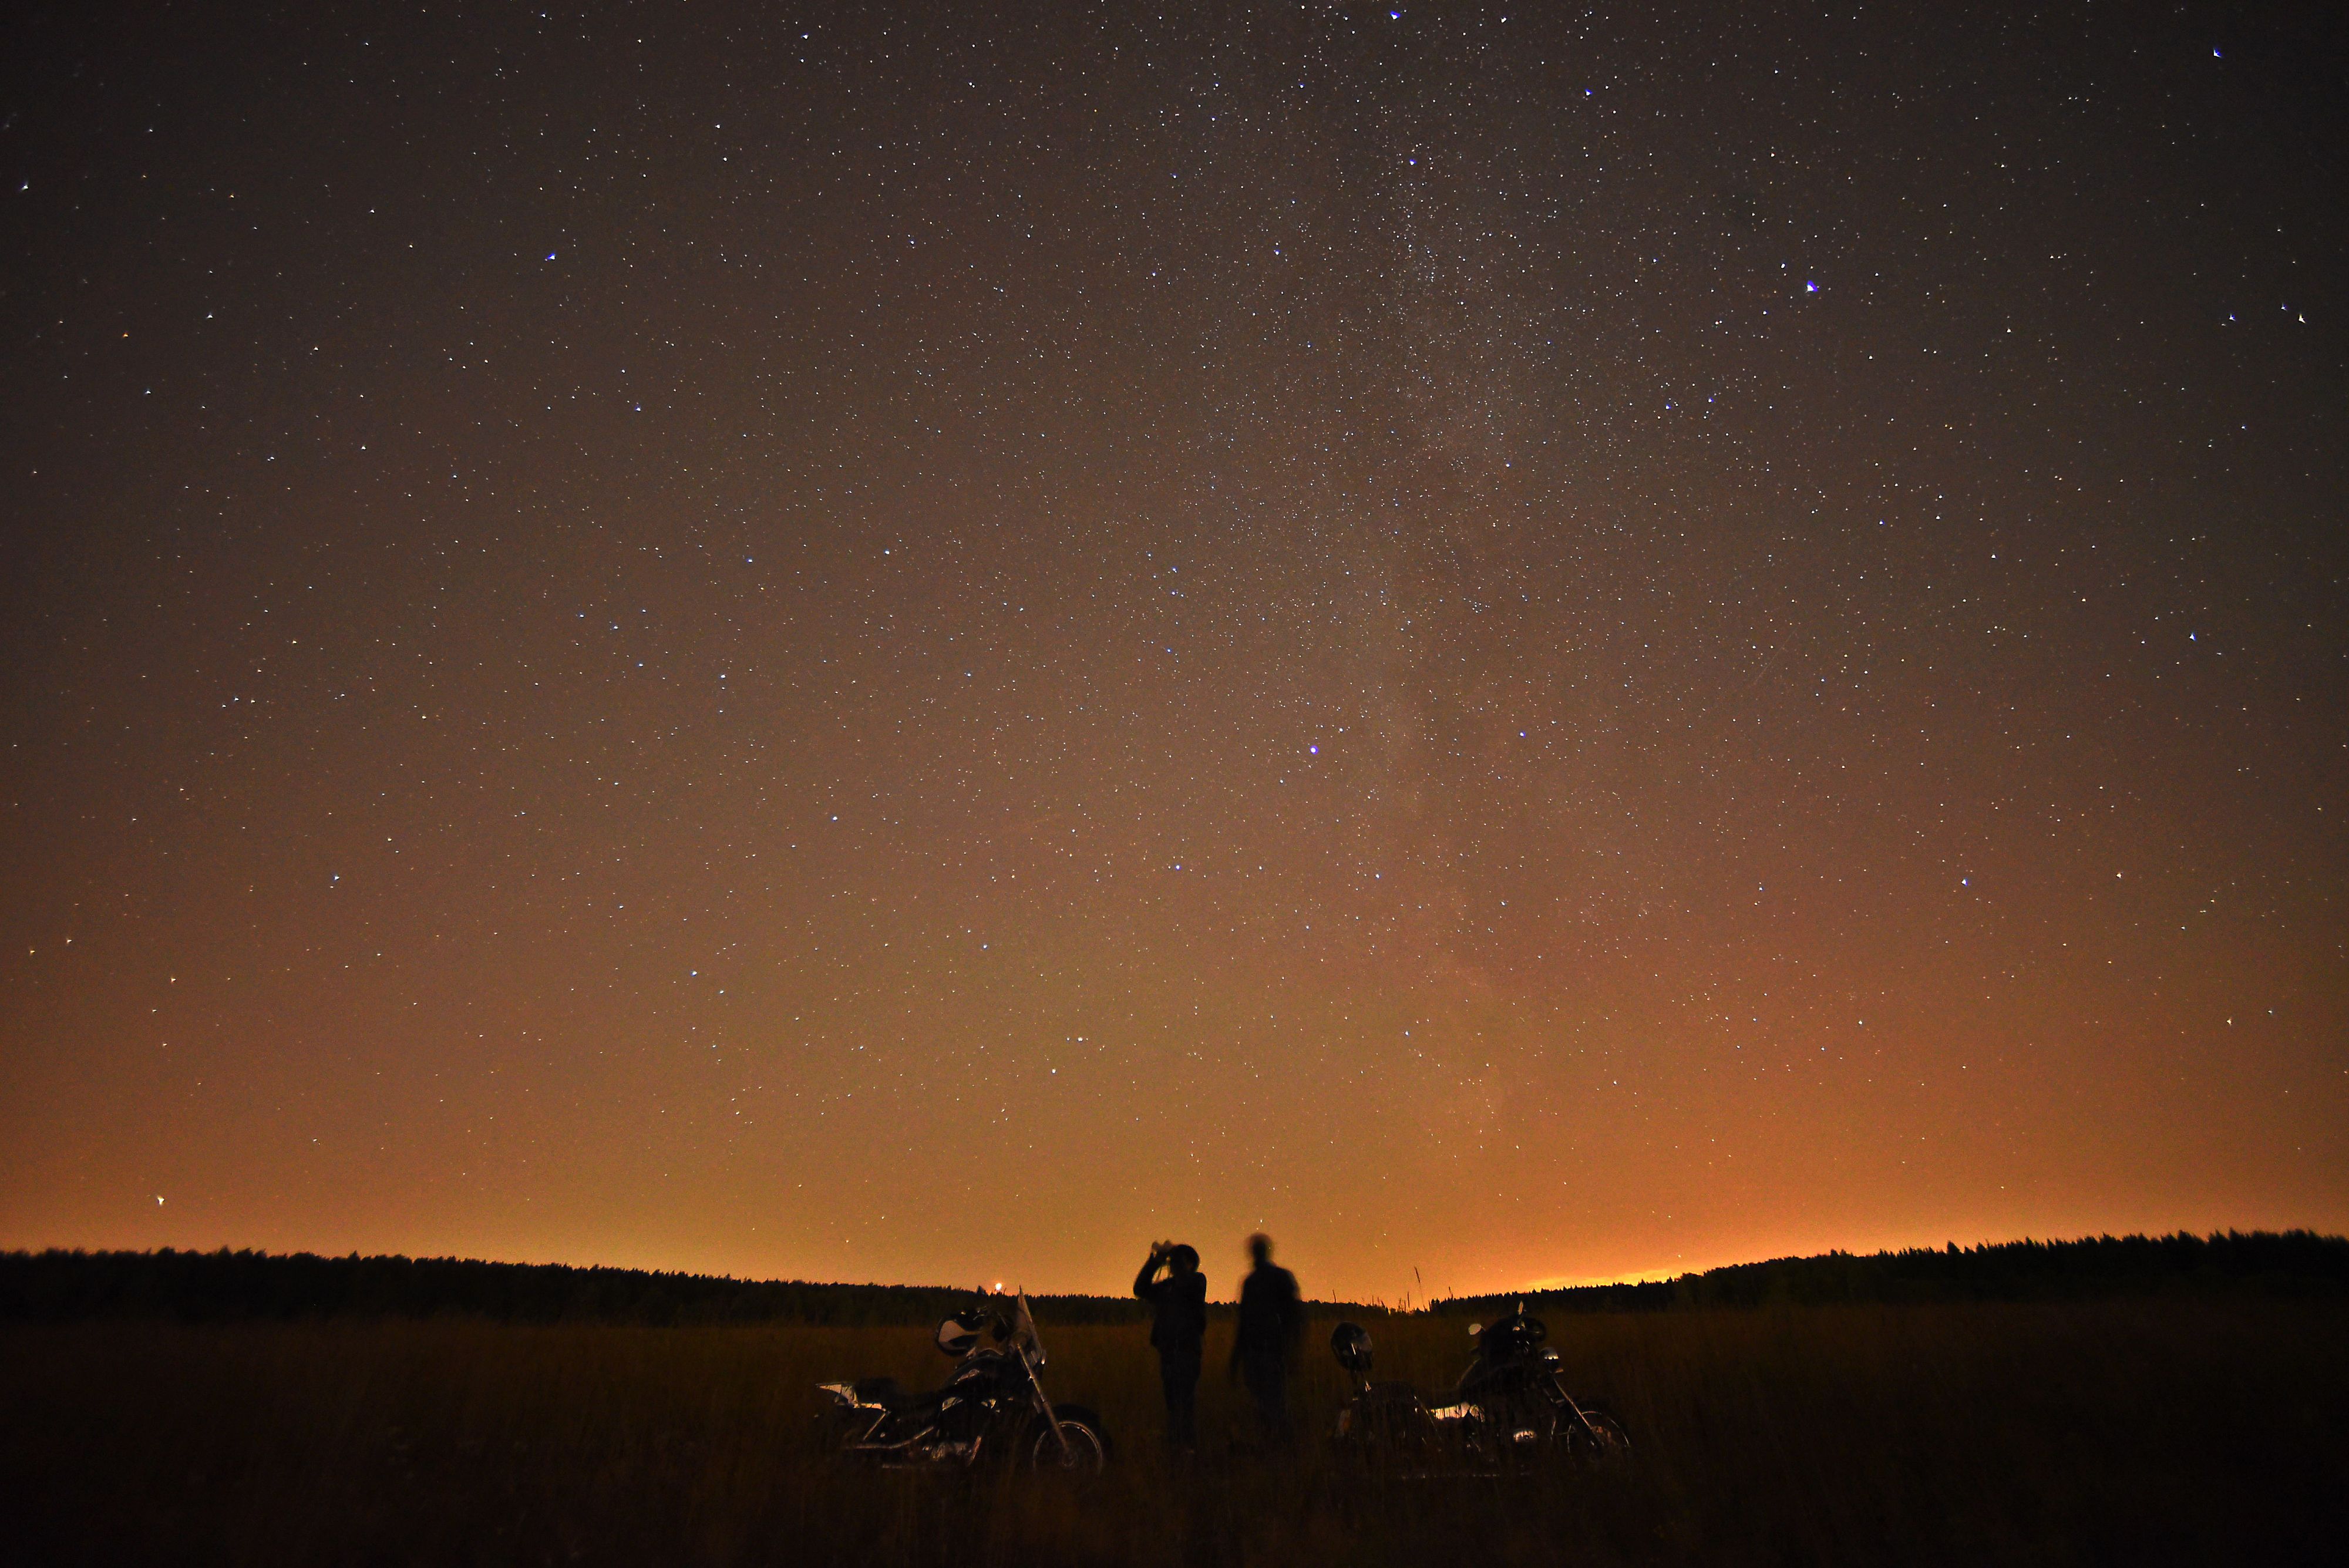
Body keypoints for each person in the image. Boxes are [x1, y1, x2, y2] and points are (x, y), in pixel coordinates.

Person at [1133, 1240, 1207, 1453]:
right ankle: (1178, 1449)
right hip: (1169, 1353)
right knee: (1174, 1406)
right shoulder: (1168, 1287)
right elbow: (1140, 1289)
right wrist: (1155, 1262)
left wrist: (1171, 1255)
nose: (1173, 1264)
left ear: (1190, 1264)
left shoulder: (1197, 1281)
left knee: (1184, 1405)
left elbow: (1187, 1282)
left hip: (1187, 1353)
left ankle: (1187, 1449)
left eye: (1178, 1261)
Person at [1229, 1233, 1303, 1445]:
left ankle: (1281, 1445)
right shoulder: (1261, 1281)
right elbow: (1245, 1323)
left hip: (1269, 1350)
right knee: (1266, 1403)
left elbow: (1293, 1316)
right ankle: (1275, 1445)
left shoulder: (1257, 1281)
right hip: (1262, 1351)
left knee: (1273, 1403)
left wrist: (1291, 1350)